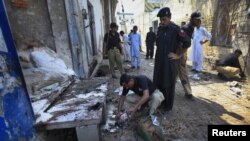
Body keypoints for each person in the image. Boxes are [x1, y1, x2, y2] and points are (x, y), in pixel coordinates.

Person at [153, 7, 191, 111]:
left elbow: (187, 42)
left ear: (169, 17)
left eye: (164, 19)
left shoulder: (176, 29)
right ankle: (159, 102)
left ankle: (167, 106)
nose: (162, 21)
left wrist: (178, 55)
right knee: (158, 82)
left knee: (168, 84)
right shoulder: (160, 29)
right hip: (159, 61)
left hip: (169, 62)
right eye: (161, 19)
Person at [169, 12, 201, 99]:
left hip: (182, 49)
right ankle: (188, 92)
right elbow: (182, 44)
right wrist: (181, 56)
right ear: (191, 20)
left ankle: (169, 88)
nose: (199, 21)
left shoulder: (190, 28)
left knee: (176, 71)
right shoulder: (186, 28)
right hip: (180, 50)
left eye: (199, 20)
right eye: (197, 20)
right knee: (183, 72)